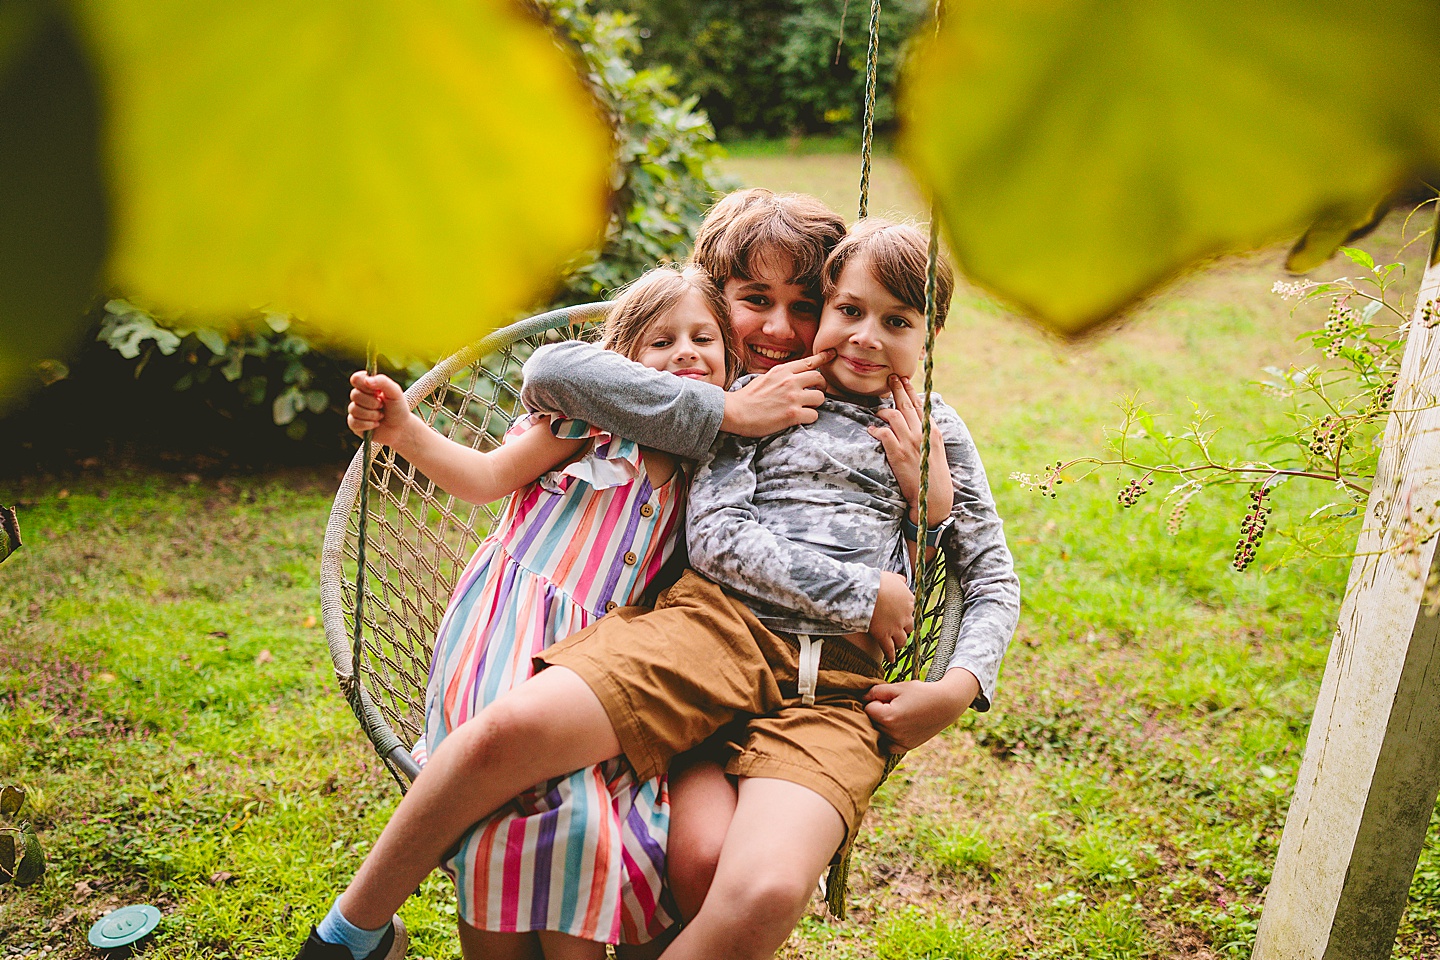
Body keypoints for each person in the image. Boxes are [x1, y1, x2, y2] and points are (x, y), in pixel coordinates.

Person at [300, 218, 1018, 960]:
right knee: (512, 734)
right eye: (848, 311)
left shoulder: (935, 429)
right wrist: (857, 589)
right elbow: (713, 536)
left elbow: (990, 572)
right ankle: (351, 933)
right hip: (717, 630)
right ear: (830, 308)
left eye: (897, 322)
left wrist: (959, 683)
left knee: (759, 889)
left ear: (931, 337)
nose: (866, 337)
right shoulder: (751, 394)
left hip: (836, 691)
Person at [298, 266, 743, 960]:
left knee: (585, 823)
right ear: (625, 365)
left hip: (597, 666)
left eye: (703, 339)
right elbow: (484, 478)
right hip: (512, 627)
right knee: (510, 801)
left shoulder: (707, 475)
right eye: (661, 342)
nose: (685, 353)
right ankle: (363, 935)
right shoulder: (593, 424)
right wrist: (404, 431)